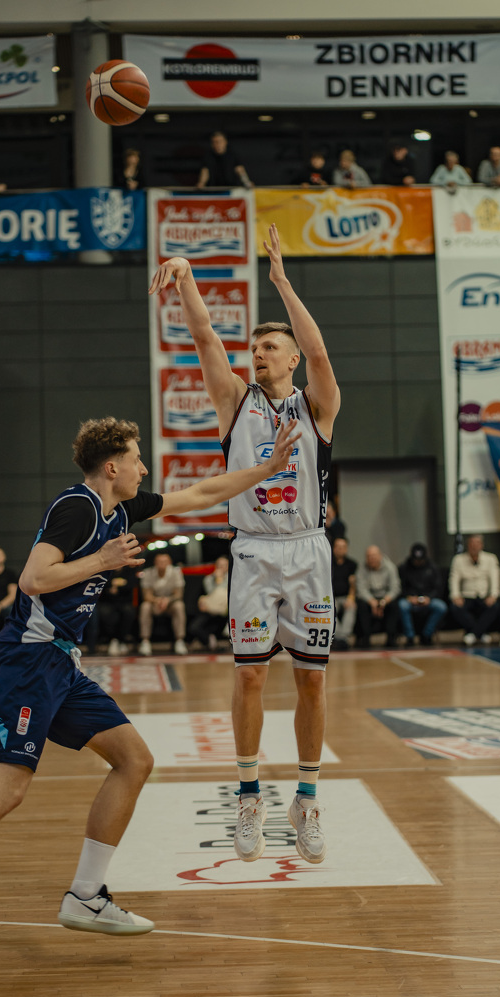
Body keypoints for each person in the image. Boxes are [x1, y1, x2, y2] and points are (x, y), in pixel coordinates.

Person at [0, 413, 299, 980]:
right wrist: (102, 561)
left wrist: (269, 468)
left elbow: (201, 493)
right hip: (28, 660)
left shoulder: (122, 510)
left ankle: (85, 895)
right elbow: (33, 579)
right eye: (136, 458)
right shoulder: (77, 507)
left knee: (134, 760)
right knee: (8, 789)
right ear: (111, 467)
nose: (144, 468)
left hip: (61, 663)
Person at [149, 223, 340, 867]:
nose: (258, 354)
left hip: (308, 550)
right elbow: (205, 337)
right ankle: (250, 794)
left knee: (311, 682)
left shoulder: (318, 405)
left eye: (270, 347)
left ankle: (307, 799)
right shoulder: (235, 401)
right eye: (254, 347)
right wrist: (186, 277)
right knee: (250, 675)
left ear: (291, 359)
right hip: (255, 551)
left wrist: (280, 280)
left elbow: (320, 352)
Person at [448, 534, 500, 645]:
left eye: (477, 544)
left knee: (495, 606)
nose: (474, 546)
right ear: (467, 545)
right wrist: (455, 596)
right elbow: (454, 579)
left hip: (484, 595)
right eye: (471, 544)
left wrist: (493, 595)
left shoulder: (490, 558)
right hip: (467, 596)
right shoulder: (458, 559)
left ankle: (473, 634)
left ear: (482, 545)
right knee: (455, 607)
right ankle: (480, 633)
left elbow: (495, 578)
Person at [138, 552, 187, 656]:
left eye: (165, 561)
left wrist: (167, 600)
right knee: (145, 606)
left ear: (169, 562)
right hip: (154, 603)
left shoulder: (176, 572)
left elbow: (179, 594)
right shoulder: (148, 573)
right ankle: (145, 641)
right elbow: (146, 595)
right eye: (160, 562)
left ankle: (180, 641)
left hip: (170, 603)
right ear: (155, 563)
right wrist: (157, 600)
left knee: (179, 606)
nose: (162, 564)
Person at [398, 543, 447, 646]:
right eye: (416, 560)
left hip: (428, 599)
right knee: (402, 605)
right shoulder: (404, 568)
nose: (418, 562)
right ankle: (410, 637)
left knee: (441, 607)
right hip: (410, 599)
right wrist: (409, 597)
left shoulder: (432, 568)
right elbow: (400, 587)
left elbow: (438, 588)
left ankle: (427, 635)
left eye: (420, 560)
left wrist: (429, 598)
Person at [84, 567, 138, 656]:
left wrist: (118, 588)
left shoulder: (129, 571)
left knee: (128, 612)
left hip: (124, 601)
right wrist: (112, 587)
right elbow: (101, 584)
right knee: (106, 612)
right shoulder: (106, 570)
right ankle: (113, 640)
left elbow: (131, 584)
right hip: (107, 601)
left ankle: (121, 640)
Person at [355, 546, 401, 649]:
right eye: (369, 556)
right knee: (361, 605)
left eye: (374, 556)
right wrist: (372, 601)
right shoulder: (362, 568)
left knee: (394, 605)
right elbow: (361, 589)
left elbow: (395, 588)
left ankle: (391, 638)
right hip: (369, 598)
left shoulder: (390, 567)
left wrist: (384, 601)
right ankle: (365, 638)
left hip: (386, 597)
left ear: (380, 556)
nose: (372, 559)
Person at [189, 555, 229, 651]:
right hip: (210, 608)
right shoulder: (208, 579)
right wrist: (218, 579)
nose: (221, 567)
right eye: (219, 565)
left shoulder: (232, 578)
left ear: (228, 566)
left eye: (224, 565)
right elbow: (212, 594)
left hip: (227, 609)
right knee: (194, 627)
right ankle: (209, 640)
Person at [331, 537, 356, 651]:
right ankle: (341, 638)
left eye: (343, 547)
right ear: (333, 548)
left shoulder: (352, 564)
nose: (340, 549)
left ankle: (343, 637)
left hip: (346, 596)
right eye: (338, 547)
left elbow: (353, 584)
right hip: (331, 597)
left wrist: (351, 598)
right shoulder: (328, 563)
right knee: (330, 608)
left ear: (346, 549)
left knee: (352, 606)